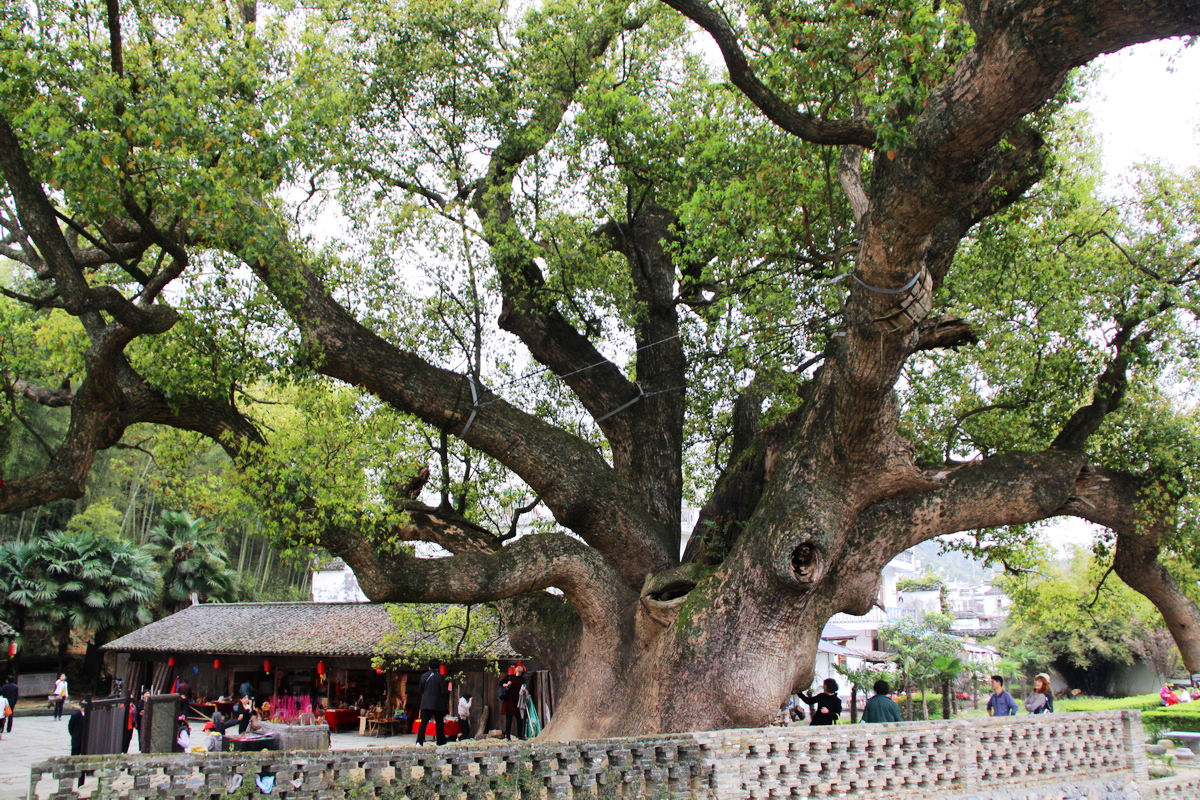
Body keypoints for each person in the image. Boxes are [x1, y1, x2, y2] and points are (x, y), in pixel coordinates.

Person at [415, 660, 449, 746]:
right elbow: (443, 691)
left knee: (423, 723)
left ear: (429, 667)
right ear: (438, 667)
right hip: (437, 703)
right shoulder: (440, 677)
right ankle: (440, 741)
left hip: (426, 703)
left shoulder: (424, 676)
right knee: (439, 723)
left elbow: (421, 690)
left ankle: (419, 741)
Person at [499, 664, 526, 740]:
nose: (519, 668)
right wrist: (506, 684)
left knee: (520, 719)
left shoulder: (522, 679)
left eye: (520, 667)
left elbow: (524, 687)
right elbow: (501, 683)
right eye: (518, 667)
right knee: (509, 719)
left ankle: (520, 735)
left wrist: (524, 691)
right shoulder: (509, 677)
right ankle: (508, 737)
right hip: (509, 700)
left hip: (518, 701)